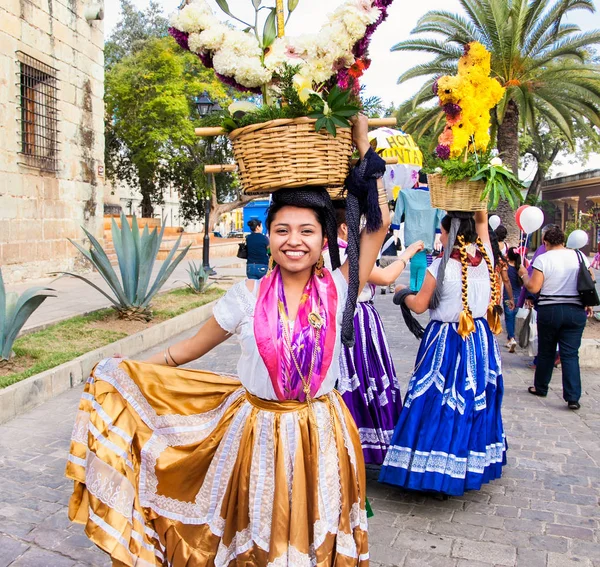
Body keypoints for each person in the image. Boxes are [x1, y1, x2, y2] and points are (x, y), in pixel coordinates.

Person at [64, 115, 390, 566]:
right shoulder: (245, 297)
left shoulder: (340, 287)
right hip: (259, 434)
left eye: (306, 231)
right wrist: (129, 367)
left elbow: (377, 223)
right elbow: (186, 350)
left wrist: (363, 150)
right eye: (282, 230)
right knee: (263, 528)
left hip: (323, 432)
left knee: (318, 530)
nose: (293, 241)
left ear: (323, 240)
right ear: (268, 236)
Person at [379, 210, 507, 496]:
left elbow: (420, 305)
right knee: (471, 400)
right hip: (479, 339)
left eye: (444, 231)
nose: (441, 235)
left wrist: (402, 292)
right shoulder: (486, 258)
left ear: (451, 233)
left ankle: (431, 470)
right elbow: (483, 221)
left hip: (445, 342)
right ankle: (462, 466)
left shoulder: (440, 267)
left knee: (437, 400)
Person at [326, 201, 424, 464]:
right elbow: (385, 277)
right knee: (361, 377)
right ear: (345, 227)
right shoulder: (349, 253)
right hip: (356, 320)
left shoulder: (325, 250)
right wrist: (408, 254)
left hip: (338, 320)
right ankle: (358, 441)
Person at [518, 225, 594, 410]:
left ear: (545, 242)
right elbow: (589, 279)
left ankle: (541, 387)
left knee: (546, 350)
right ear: (563, 240)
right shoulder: (579, 256)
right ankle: (573, 397)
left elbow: (534, 288)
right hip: (575, 311)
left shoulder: (543, 259)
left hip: (549, 310)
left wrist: (523, 276)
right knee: (570, 354)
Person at [393, 171, 444, 292]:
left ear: (416, 180)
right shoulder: (436, 196)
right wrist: (438, 235)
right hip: (428, 235)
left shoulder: (405, 193)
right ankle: (418, 288)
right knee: (422, 262)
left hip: (411, 234)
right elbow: (440, 216)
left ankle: (415, 287)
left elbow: (398, 213)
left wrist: (395, 231)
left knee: (415, 261)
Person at [504, 247, 522, 353]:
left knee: (508, 319)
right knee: (513, 318)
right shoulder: (520, 268)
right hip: (518, 296)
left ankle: (511, 338)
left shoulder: (506, 268)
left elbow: (505, 281)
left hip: (508, 296)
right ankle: (509, 338)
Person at [379, 226, 401, 294]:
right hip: (393, 257)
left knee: (383, 272)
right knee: (392, 272)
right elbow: (399, 248)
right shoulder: (396, 238)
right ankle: (392, 288)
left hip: (384, 256)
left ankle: (383, 287)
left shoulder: (383, 237)